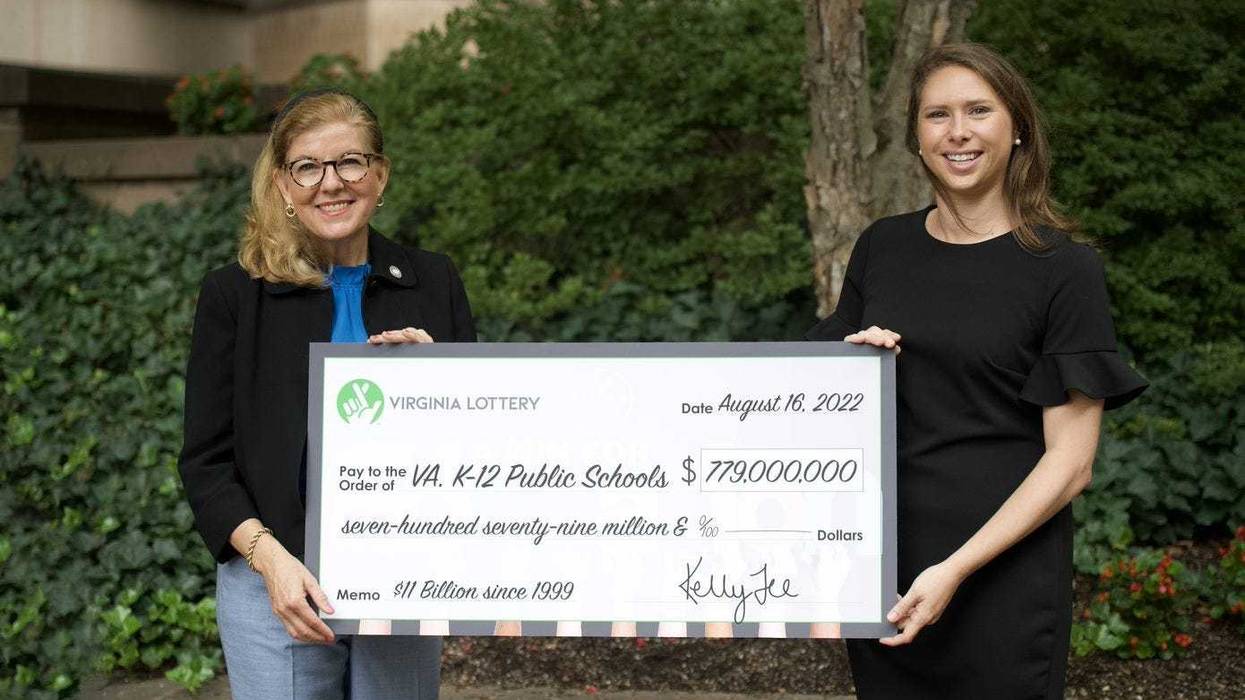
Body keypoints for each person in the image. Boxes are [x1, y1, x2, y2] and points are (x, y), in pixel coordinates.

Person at [805, 43, 1147, 698]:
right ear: (916, 136)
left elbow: (1070, 463)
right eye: (936, 115)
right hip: (886, 565)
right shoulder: (883, 246)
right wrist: (851, 358)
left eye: (977, 111)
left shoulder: (1063, 270)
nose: (956, 132)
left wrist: (955, 569)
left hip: (1001, 574)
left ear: (1015, 128)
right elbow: (813, 400)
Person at [179, 88, 475, 699]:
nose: (331, 183)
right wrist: (270, 562)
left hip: (403, 578)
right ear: (284, 185)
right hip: (276, 585)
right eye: (308, 167)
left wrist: (441, 384)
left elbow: (474, 453)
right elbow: (206, 464)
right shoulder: (235, 296)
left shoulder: (434, 282)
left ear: (380, 174)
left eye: (350, 162)